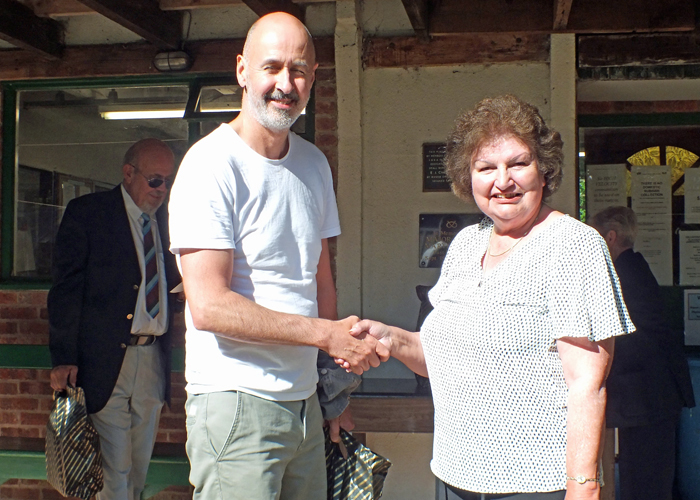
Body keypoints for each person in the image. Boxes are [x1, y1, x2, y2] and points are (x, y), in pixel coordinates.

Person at [347, 95, 635, 500]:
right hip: (455, 475)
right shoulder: (467, 244)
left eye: (518, 163)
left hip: (536, 485)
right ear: (469, 178)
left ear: (544, 170)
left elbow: (587, 385)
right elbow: (441, 359)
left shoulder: (574, 246)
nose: (503, 181)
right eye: (486, 168)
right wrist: (391, 340)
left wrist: (583, 488)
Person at [167, 12, 387, 500]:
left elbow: (319, 280)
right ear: (242, 70)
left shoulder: (313, 163)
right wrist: (325, 337)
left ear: (313, 80)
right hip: (236, 401)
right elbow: (209, 307)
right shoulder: (210, 165)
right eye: (272, 67)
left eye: (300, 70)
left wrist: (333, 395)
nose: (285, 84)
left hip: (306, 402)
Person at [48, 138, 180, 500]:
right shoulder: (89, 213)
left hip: (153, 357)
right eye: (155, 180)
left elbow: (173, 281)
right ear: (128, 173)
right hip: (104, 360)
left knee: (137, 467)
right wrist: (63, 357)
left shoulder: (172, 221)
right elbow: (66, 288)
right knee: (113, 470)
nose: (162, 190)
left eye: (169, 181)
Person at [590, 206, 695, 500]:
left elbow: (625, 337)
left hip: (647, 394)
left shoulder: (622, 274)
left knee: (645, 482)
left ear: (610, 237)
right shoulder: (634, 267)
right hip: (652, 393)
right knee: (648, 478)